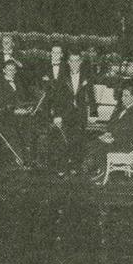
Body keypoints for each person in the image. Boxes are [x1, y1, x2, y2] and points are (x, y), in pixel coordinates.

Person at [47, 48, 95, 177]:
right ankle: (62, 167)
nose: (74, 63)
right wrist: (57, 115)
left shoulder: (86, 77)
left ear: (80, 62)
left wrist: (93, 114)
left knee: (78, 141)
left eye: (77, 61)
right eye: (72, 61)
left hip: (80, 114)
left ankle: (75, 166)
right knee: (63, 141)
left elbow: (91, 95)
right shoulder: (62, 77)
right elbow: (57, 97)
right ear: (68, 62)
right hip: (65, 114)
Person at [87, 83, 133, 183]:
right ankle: (95, 170)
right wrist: (108, 134)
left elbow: (130, 135)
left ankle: (102, 174)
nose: (123, 98)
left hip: (124, 144)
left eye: (126, 96)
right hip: (115, 140)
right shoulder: (120, 109)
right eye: (122, 95)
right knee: (92, 142)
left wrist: (113, 139)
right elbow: (110, 125)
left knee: (99, 146)